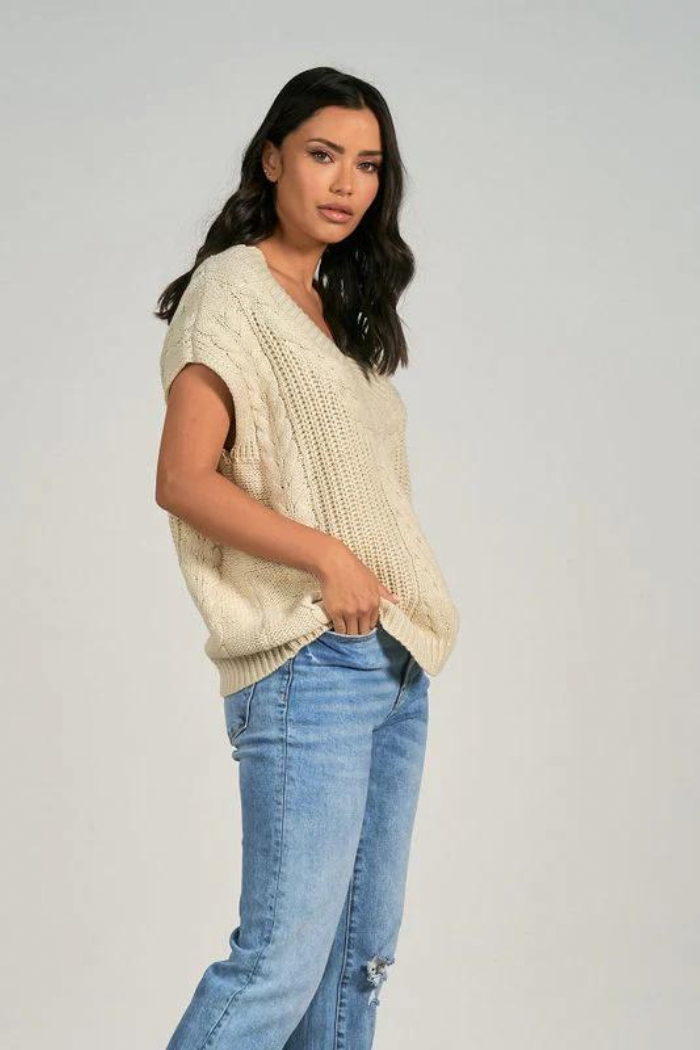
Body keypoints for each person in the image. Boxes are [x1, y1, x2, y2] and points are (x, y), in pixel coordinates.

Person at [153, 66, 460, 1050]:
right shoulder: (232, 290)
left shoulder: (331, 309)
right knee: (278, 964)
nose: (346, 183)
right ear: (272, 159)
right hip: (307, 662)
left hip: (392, 661)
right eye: (324, 155)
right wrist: (328, 557)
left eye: (367, 165)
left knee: (354, 964)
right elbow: (183, 477)